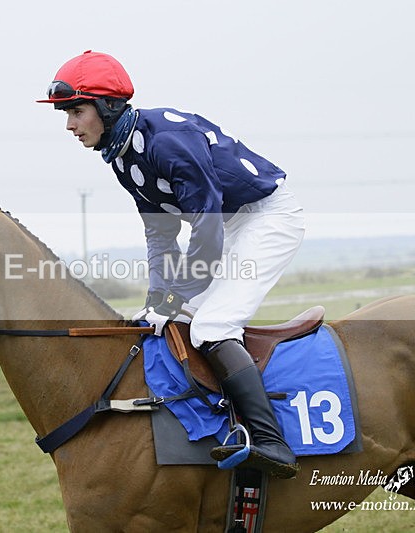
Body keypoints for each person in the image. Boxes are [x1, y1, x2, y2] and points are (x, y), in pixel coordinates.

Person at [37, 50, 305, 479]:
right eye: (67, 114)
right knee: (168, 320)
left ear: (108, 106)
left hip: (266, 219)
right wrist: (157, 299)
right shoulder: (123, 155)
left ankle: (271, 441)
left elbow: (207, 230)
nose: (70, 125)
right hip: (229, 226)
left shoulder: (166, 141)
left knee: (212, 326)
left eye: (76, 111)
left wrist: (175, 296)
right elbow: (160, 236)